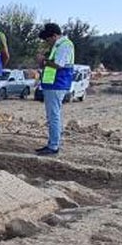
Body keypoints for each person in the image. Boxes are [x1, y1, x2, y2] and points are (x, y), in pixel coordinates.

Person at [36, 22, 75, 156]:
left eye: (47, 39)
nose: (47, 42)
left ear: (54, 36)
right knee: (53, 115)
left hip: (57, 84)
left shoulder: (64, 45)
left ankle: (53, 146)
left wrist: (44, 60)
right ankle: (53, 143)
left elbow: (58, 65)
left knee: (53, 116)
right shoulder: (58, 45)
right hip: (52, 84)